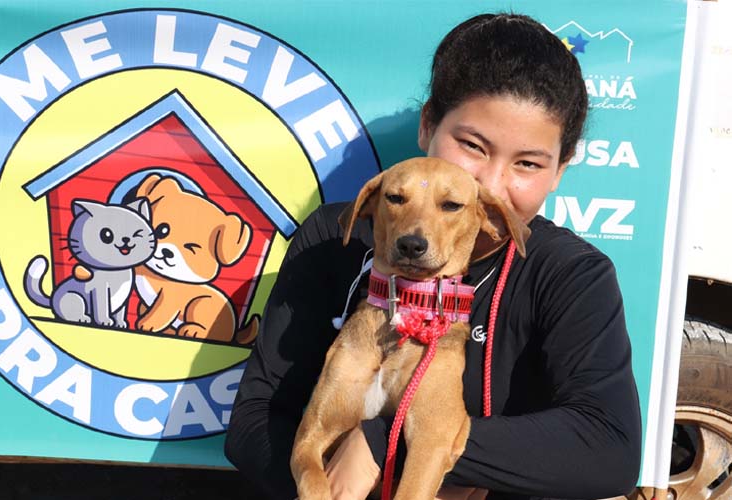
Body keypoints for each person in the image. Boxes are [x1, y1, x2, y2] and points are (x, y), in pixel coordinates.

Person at [224, 12, 642, 500]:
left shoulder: (569, 273)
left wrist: (384, 443)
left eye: (528, 163)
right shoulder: (332, 237)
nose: (490, 183)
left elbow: (609, 449)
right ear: (427, 125)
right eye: (472, 146)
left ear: (560, 171)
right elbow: (253, 421)